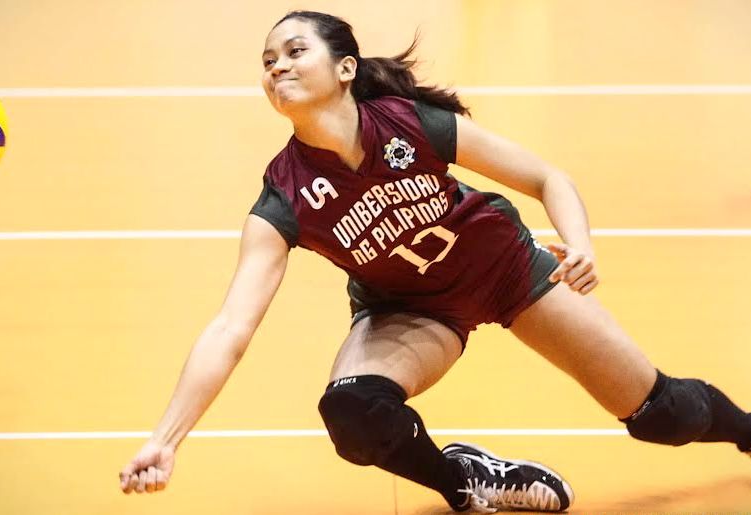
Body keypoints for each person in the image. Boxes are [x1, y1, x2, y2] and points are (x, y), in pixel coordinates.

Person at [119, 10, 751, 512]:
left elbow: (546, 178)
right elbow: (231, 328)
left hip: (509, 274)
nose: (277, 66)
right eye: (267, 61)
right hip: (412, 309)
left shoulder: (411, 124)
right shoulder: (284, 195)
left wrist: (578, 241)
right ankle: (464, 481)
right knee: (354, 411)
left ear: (345, 68)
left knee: (664, 416)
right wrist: (164, 440)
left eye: (294, 51)